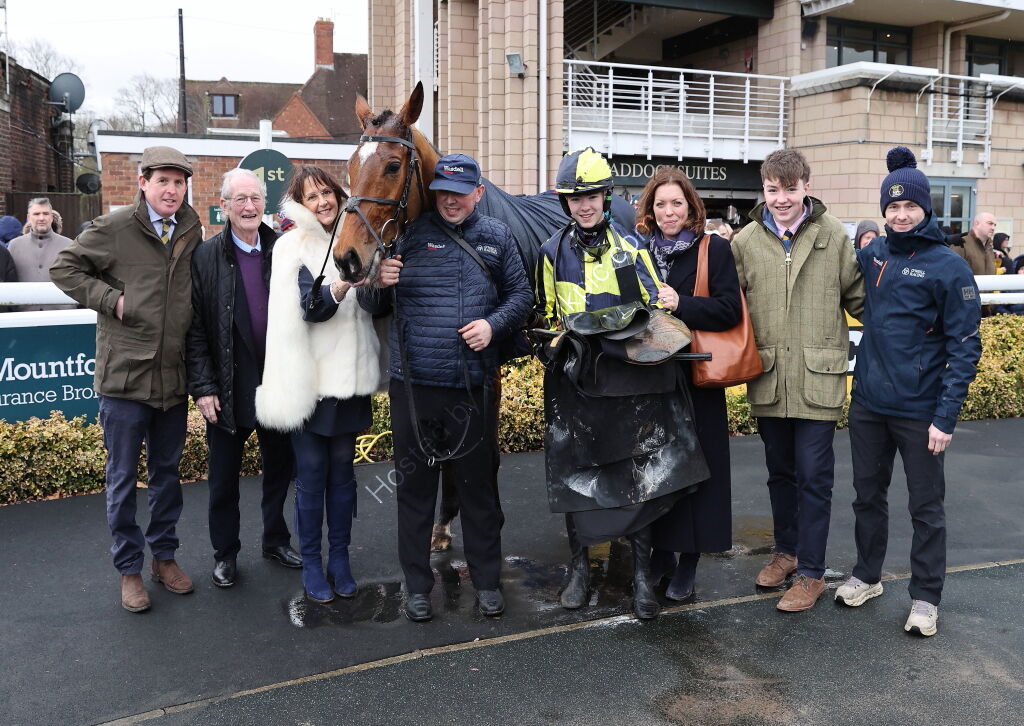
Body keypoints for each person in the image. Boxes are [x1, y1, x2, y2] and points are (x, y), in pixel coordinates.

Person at [536, 147, 709, 621]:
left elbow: (655, 315)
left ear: (606, 197)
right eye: (574, 198)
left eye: (590, 196)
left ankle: (638, 577)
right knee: (575, 477)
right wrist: (553, 345)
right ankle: (579, 571)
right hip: (578, 385)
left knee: (636, 479)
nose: (583, 205)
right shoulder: (551, 253)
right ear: (565, 203)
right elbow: (547, 317)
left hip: (629, 384)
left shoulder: (632, 248)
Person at [359, 153, 532, 623]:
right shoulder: (406, 235)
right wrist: (379, 280)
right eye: (443, 192)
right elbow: (371, 302)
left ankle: (488, 583)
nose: (450, 200)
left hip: (473, 387)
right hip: (414, 389)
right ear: (433, 192)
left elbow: (522, 298)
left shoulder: (497, 236)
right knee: (414, 490)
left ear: (478, 192)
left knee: (479, 490)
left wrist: (493, 327)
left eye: (460, 192)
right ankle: (417, 587)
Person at [834, 147, 981, 637]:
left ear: (925, 208)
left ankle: (925, 598)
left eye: (909, 207)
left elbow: (965, 345)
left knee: (926, 507)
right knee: (866, 498)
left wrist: (946, 417)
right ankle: (867, 576)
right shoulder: (873, 254)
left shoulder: (949, 266)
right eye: (892, 207)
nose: (900, 215)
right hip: (869, 404)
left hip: (921, 410)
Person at [50, 146, 203, 613]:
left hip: (172, 381)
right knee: (122, 480)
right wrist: (111, 300)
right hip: (124, 382)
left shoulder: (192, 229)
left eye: (179, 182)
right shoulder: (114, 229)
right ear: (143, 182)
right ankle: (129, 569)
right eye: (163, 181)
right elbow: (64, 267)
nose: (172, 190)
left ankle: (165, 558)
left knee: (167, 477)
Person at [730, 148, 864, 613]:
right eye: (772, 190)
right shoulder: (744, 241)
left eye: (790, 189)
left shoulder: (833, 234)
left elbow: (859, 299)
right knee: (780, 475)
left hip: (819, 378)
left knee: (814, 478)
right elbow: (733, 308)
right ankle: (785, 553)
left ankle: (811, 573)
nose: (781, 199)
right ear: (762, 190)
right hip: (769, 377)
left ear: (806, 185)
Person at [255, 166, 382, 604]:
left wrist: (381, 282)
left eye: (328, 192)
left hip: (348, 380)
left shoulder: (358, 233)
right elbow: (311, 309)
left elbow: (375, 304)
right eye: (312, 197)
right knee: (311, 478)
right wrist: (343, 286)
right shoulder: (292, 246)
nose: (323, 201)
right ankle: (312, 562)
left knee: (343, 477)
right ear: (301, 204)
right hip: (309, 384)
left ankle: (340, 560)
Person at [186, 168, 301, 589]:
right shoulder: (206, 256)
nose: (249, 207)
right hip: (228, 386)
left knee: (278, 471)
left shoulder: (284, 248)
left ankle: (275, 539)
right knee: (222, 480)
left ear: (264, 204)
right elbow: (195, 328)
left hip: (277, 383)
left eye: (255, 199)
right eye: (240, 200)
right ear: (225, 206)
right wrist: (203, 388)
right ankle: (226, 554)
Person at [634, 168, 742, 602]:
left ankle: (690, 561)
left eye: (676, 203)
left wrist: (683, 304)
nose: (668, 211)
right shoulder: (640, 251)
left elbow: (729, 309)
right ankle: (662, 552)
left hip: (697, 376)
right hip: (651, 376)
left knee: (700, 471)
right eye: (660, 204)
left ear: (691, 207)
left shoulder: (711, 249)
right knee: (658, 470)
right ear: (650, 209)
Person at [8, 198, 75, 311]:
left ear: (51, 217)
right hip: (24, 317)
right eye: (36, 214)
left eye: (45, 213)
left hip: (61, 317)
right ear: (29, 217)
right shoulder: (14, 246)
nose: (41, 218)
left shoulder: (68, 245)